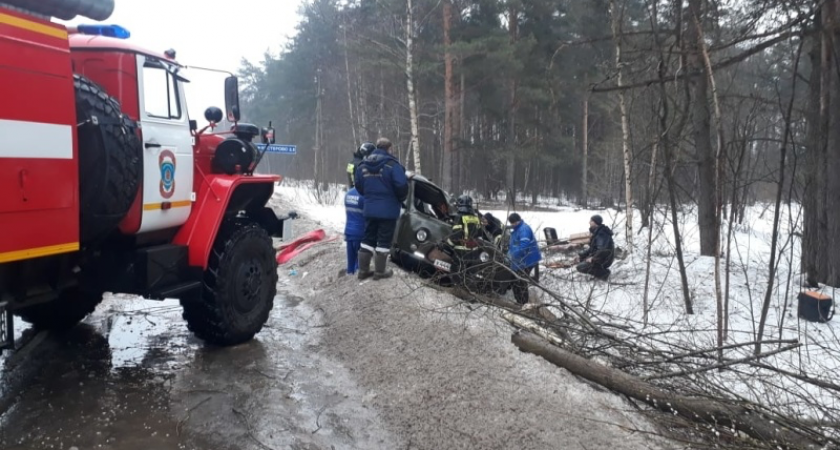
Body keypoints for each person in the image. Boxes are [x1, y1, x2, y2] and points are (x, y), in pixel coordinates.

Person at [354, 137, 409, 280]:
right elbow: (402, 186)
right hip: (388, 210)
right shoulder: (393, 165)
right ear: (389, 149)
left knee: (367, 238)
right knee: (384, 241)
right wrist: (399, 198)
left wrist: (369, 197)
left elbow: (359, 186)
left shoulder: (363, 165)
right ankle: (379, 272)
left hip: (370, 209)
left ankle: (363, 271)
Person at [507, 213, 542, 305]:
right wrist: (509, 253)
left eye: (514, 222)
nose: (513, 224)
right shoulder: (516, 229)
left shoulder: (524, 229)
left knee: (520, 281)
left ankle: (523, 303)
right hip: (519, 260)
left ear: (518, 220)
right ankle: (519, 301)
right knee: (514, 279)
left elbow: (523, 247)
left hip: (528, 259)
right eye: (511, 223)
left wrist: (512, 254)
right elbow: (514, 245)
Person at [576, 214, 615, 280]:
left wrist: (592, 258)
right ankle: (598, 272)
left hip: (605, 259)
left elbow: (603, 250)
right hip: (600, 257)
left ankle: (604, 274)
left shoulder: (601, 234)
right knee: (581, 259)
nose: (589, 222)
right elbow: (592, 248)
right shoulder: (597, 232)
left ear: (595, 222)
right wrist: (581, 255)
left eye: (591, 221)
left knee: (580, 267)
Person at [343, 185, 365, 275]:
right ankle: (356, 282)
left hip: (349, 231)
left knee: (350, 260)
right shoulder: (364, 195)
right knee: (359, 260)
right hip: (360, 232)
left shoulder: (348, 194)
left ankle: (349, 274)